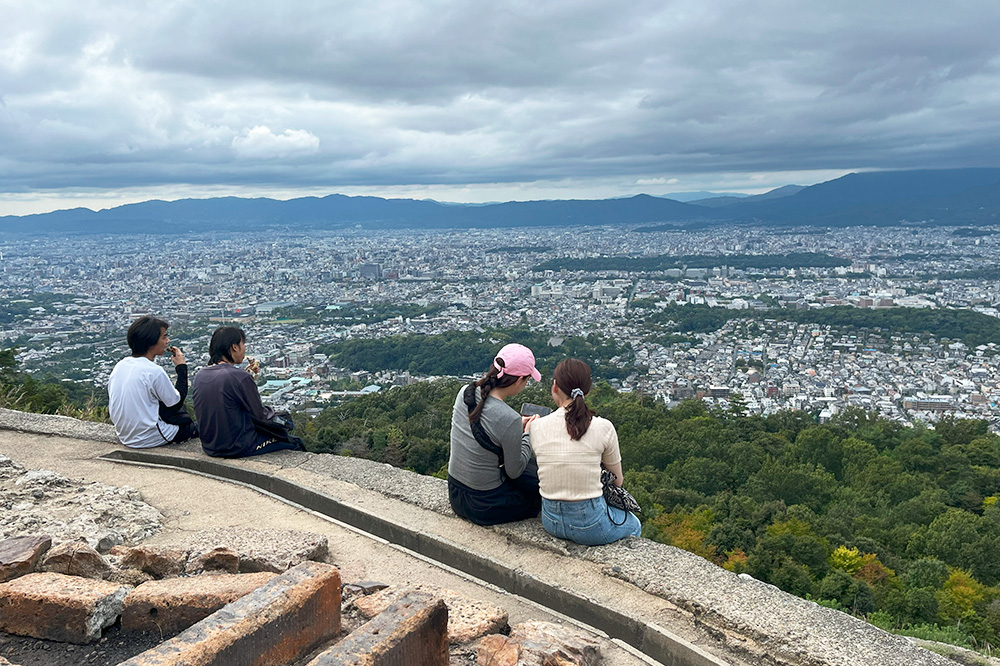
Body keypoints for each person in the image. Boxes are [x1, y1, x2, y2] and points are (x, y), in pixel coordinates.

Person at [529, 358, 641, 545]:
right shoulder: (603, 427)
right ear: (587, 391)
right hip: (591, 525)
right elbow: (618, 480)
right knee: (634, 524)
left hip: (550, 520)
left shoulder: (536, 427)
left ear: (555, 387)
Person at [448, 343, 543, 526]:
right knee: (536, 490)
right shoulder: (509, 418)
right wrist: (527, 435)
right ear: (518, 380)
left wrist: (516, 431)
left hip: (456, 494)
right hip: (485, 505)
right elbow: (514, 472)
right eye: (527, 380)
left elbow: (488, 425)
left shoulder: (465, 393)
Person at [192, 326, 304, 458]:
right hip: (238, 446)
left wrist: (246, 375)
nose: (244, 348)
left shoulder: (200, 375)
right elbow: (260, 415)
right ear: (234, 347)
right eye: (243, 344)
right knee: (295, 442)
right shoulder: (240, 377)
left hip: (210, 445)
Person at [108, 315, 198, 448]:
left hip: (124, 435)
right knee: (200, 427)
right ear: (151, 342)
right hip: (148, 437)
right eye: (164, 337)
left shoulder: (120, 366)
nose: (168, 341)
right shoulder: (154, 371)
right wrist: (181, 367)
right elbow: (176, 403)